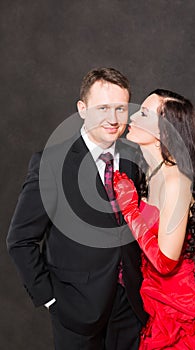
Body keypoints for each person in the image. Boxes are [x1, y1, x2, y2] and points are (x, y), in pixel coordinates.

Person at [6, 67, 148, 350]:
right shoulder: (51, 163)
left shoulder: (133, 159)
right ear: (82, 109)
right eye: (103, 108)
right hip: (77, 309)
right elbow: (19, 240)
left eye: (120, 108)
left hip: (130, 306)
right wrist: (50, 299)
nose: (113, 118)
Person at [113, 89, 195, 349]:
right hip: (159, 299)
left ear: (163, 133)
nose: (133, 116)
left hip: (185, 309)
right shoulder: (152, 172)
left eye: (144, 113)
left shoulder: (176, 181)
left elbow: (167, 261)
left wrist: (131, 209)